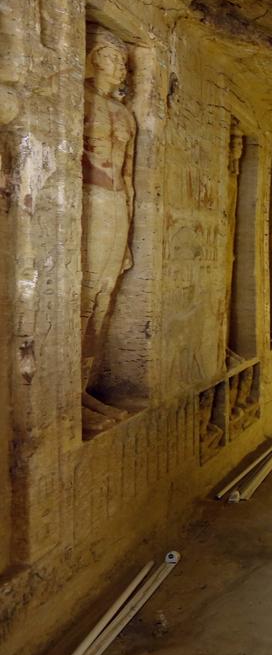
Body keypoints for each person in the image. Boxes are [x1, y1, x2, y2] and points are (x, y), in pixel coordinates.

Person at [81, 25, 137, 431]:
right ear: (95, 59)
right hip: (89, 201)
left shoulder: (125, 115)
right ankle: (67, 398)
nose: (121, 68)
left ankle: (81, 389)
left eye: (123, 61)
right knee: (83, 299)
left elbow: (130, 176)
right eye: (115, 58)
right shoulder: (78, 100)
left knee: (104, 298)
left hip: (116, 205)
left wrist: (130, 229)